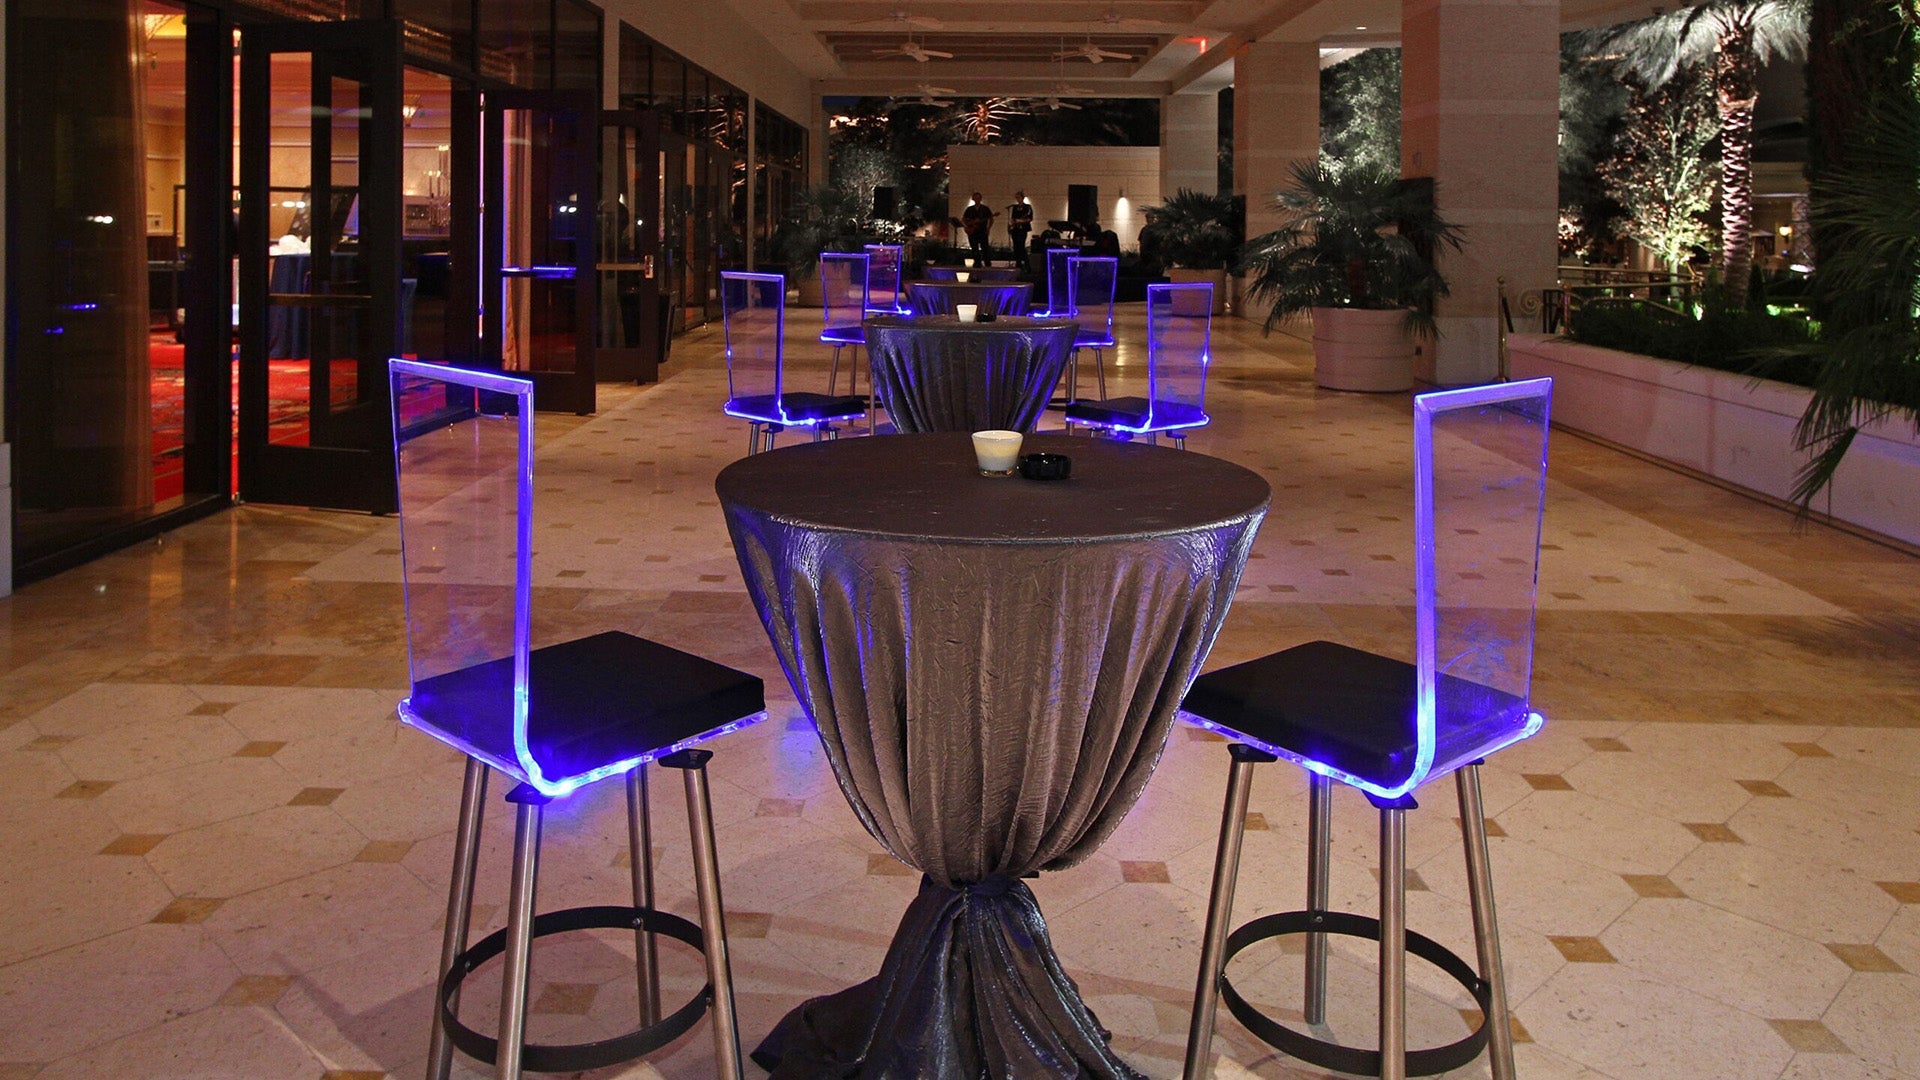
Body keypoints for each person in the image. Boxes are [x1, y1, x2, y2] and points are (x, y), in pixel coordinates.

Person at [960, 192, 995, 264]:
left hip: (982, 231)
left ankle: (987, 263)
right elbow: (963, 219)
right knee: (974, 248)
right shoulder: (969, 209)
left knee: (985, 248)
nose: (977, 200)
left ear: (981, 199)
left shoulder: (985, 209)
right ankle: (977, 262)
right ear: (973, 199)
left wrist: (988, 228)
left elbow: (991, 219)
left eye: (978, 198)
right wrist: (966, 226)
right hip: (972, 231)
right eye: (975, 198)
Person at [1006, 190, 1034, 270]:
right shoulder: (1015, 207)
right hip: (1015, 229)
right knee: (1016, 246)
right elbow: (1013, 218)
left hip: (1022, 229)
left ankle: (1026, 263)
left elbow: (1030, 218)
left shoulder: (1027, 207)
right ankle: (1018, 263)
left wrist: (1020, 221)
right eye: (1016, 197)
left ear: (1022, 198)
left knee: (1021, 245)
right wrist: (1012, 223)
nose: (1018, 199)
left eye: (1019, 197)